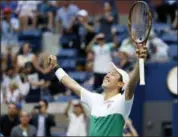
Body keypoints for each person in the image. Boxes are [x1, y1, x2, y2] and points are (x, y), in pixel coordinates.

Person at [47, 42, 147, 136]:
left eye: (113, 74)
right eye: (108, 73)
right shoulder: (95, 98)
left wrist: (140, 61)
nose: (107, 75)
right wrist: (56, 67)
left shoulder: (123, 101)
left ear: (121, 83)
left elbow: (131, 84)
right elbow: (72, 84)